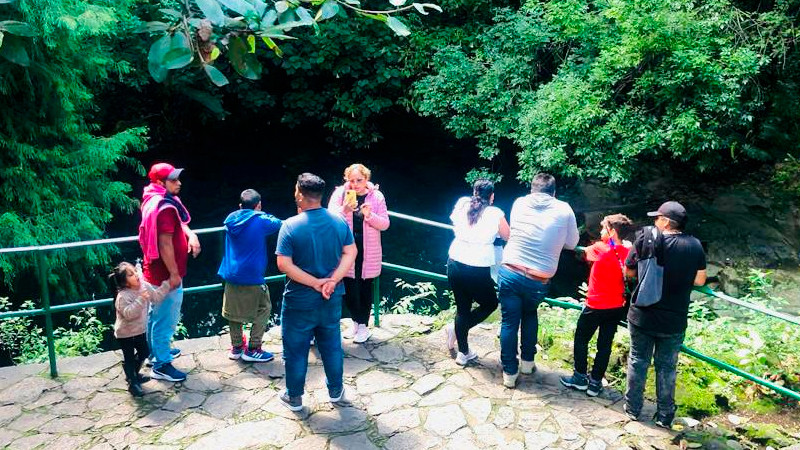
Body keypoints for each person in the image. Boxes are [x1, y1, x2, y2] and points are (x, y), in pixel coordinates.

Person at [277, 173, 357, 411]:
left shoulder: (290, 225)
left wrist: (314, 283)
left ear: (300, 195)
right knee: (331, 344)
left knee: (295, 349)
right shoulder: (338, 220)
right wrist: (332, 281)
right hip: (331, 296)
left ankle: (294, 396)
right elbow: (351, 252)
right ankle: (336, 390)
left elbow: (283, 264)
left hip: (299, 300)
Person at [623, 201, 706, 428]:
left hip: (643, 314)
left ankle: (633, 408)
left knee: (638, 361)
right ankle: (665, 415)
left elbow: (629, 271)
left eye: (658, 218)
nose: (655, 221)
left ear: (666, 222)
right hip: (674, 319)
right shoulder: (695, 245)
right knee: (667, 367)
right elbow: (700, 280)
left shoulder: (645, 239)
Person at [498, 173, 579, 388]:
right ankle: (527, 363)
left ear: (532, 189)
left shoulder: (519, 203)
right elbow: (572, 243)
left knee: (509, 322)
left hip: (510, 271)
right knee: (529, 313)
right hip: (538, 279)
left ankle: (509, 373)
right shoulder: (564, 209)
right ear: (554, 192)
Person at [138, 163, 200, 382]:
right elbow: (165, 244)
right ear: (160, 182)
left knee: (155, 315)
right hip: (165, 276)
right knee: (165, 320)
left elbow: (179, 225)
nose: (179, 183)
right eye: (173, 180)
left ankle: (154, 352)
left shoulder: (154, 199)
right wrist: (174, 274)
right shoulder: (164, 208)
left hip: (154, 272)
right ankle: (161, 364)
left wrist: (191, 235)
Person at [560, 214, 634, 397]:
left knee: (581, 339)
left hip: (595, 304)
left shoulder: (600, 248)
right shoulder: (628, 251)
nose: (601, 231)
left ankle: (579, 377)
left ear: (612, 231)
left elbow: (584, 252)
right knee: (604, 345)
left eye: (603, 228)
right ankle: (595, 383)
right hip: (616, 306)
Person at [444, 179, 510, 365]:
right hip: (477, 266)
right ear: (492, 196)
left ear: (474, 192)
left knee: (462, 308)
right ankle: (458, 335)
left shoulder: (462, 203)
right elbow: (507, 235)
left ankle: (463, 352)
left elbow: (454, 219)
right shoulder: (495, 213)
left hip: (455, 261)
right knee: (490, 304)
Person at [218, 189, 282, 362]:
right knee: (264, 307)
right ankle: (253, 348)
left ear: (240, 206)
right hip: (252, 274)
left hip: (231, 272)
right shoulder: (261, 220)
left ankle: (237, 347)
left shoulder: (231, 219)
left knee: (233, 312)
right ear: (258, 205)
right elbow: (277, 223)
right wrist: (260, 213)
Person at [328, 163, 390, 344]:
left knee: (364, 287)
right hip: (345, 249)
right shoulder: (340, 194)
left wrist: (369, 216)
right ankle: (356, 322)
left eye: (359, 180)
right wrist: (345, 209)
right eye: (352, 180)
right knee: (348, 287)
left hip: (368, 250)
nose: (355, 184)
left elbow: (385, 224)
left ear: (366, 179)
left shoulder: (376, 196)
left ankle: (363, 325)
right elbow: (329, 219)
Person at [110, 261, 171, 397]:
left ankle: (132, 373)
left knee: (144, 352)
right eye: (130, 275)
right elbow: (129, 314)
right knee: (129, 357)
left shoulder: (144, 286)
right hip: (125, 333)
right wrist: (141, 299)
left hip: (139, 330)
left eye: (135, 271)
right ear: (125, 282)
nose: (136, 275)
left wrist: (166, 286)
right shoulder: (122, 296)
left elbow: (155, 297)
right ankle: (132, 383)